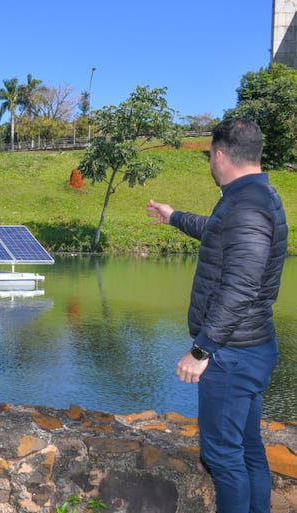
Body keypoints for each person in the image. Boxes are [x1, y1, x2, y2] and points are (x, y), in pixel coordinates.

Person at [147, 118, 288, 513]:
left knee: (224, 458)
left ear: (220, 155)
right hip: (251, 346)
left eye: (210, 155)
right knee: (246, 450)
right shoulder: (254, 198)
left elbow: (240, 286)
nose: (210, 162)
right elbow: (218, 230)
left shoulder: (247, 206)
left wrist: (201, 350)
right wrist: (174, 216)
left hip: (231, 355)